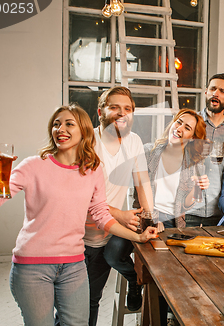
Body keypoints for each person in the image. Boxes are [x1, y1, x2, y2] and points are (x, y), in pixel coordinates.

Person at [0, 105, 157, 326]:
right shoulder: (33, 166)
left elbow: (102, 215)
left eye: (68, 124)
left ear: (84, 131)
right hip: (32, 267)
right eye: (56, 124)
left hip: (74, 266)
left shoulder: (92, 171)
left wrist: (138, 237)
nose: (60, 129)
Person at [81, 86, 154, 325]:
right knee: (77, 304)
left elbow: (142, 184)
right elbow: (82, 197)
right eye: (114, 107)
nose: (121, 114)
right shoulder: (86, 142)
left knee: (93, 299)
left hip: (109, 233)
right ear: (101, 110)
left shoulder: (133, 142)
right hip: (80, 237)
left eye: (128, 109)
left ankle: (135, 281)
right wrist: (120, 214)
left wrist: (149, 217)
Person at [185, 73, 224, 227]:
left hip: (219, 213)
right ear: (206, 91)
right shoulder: (189, 125)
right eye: (213, 89)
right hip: (188, 210)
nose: (216, 93)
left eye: (222, 91)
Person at [135, 108, 209, 228]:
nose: (179, 128)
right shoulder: (148, 152)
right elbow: (139, 190)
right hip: (145, 216)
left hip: (173, 222)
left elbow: (185, 205)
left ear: (192, 138)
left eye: (187, 128)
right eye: (179, 122)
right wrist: (152, 219)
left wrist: (197, 187)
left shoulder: (195, 165)